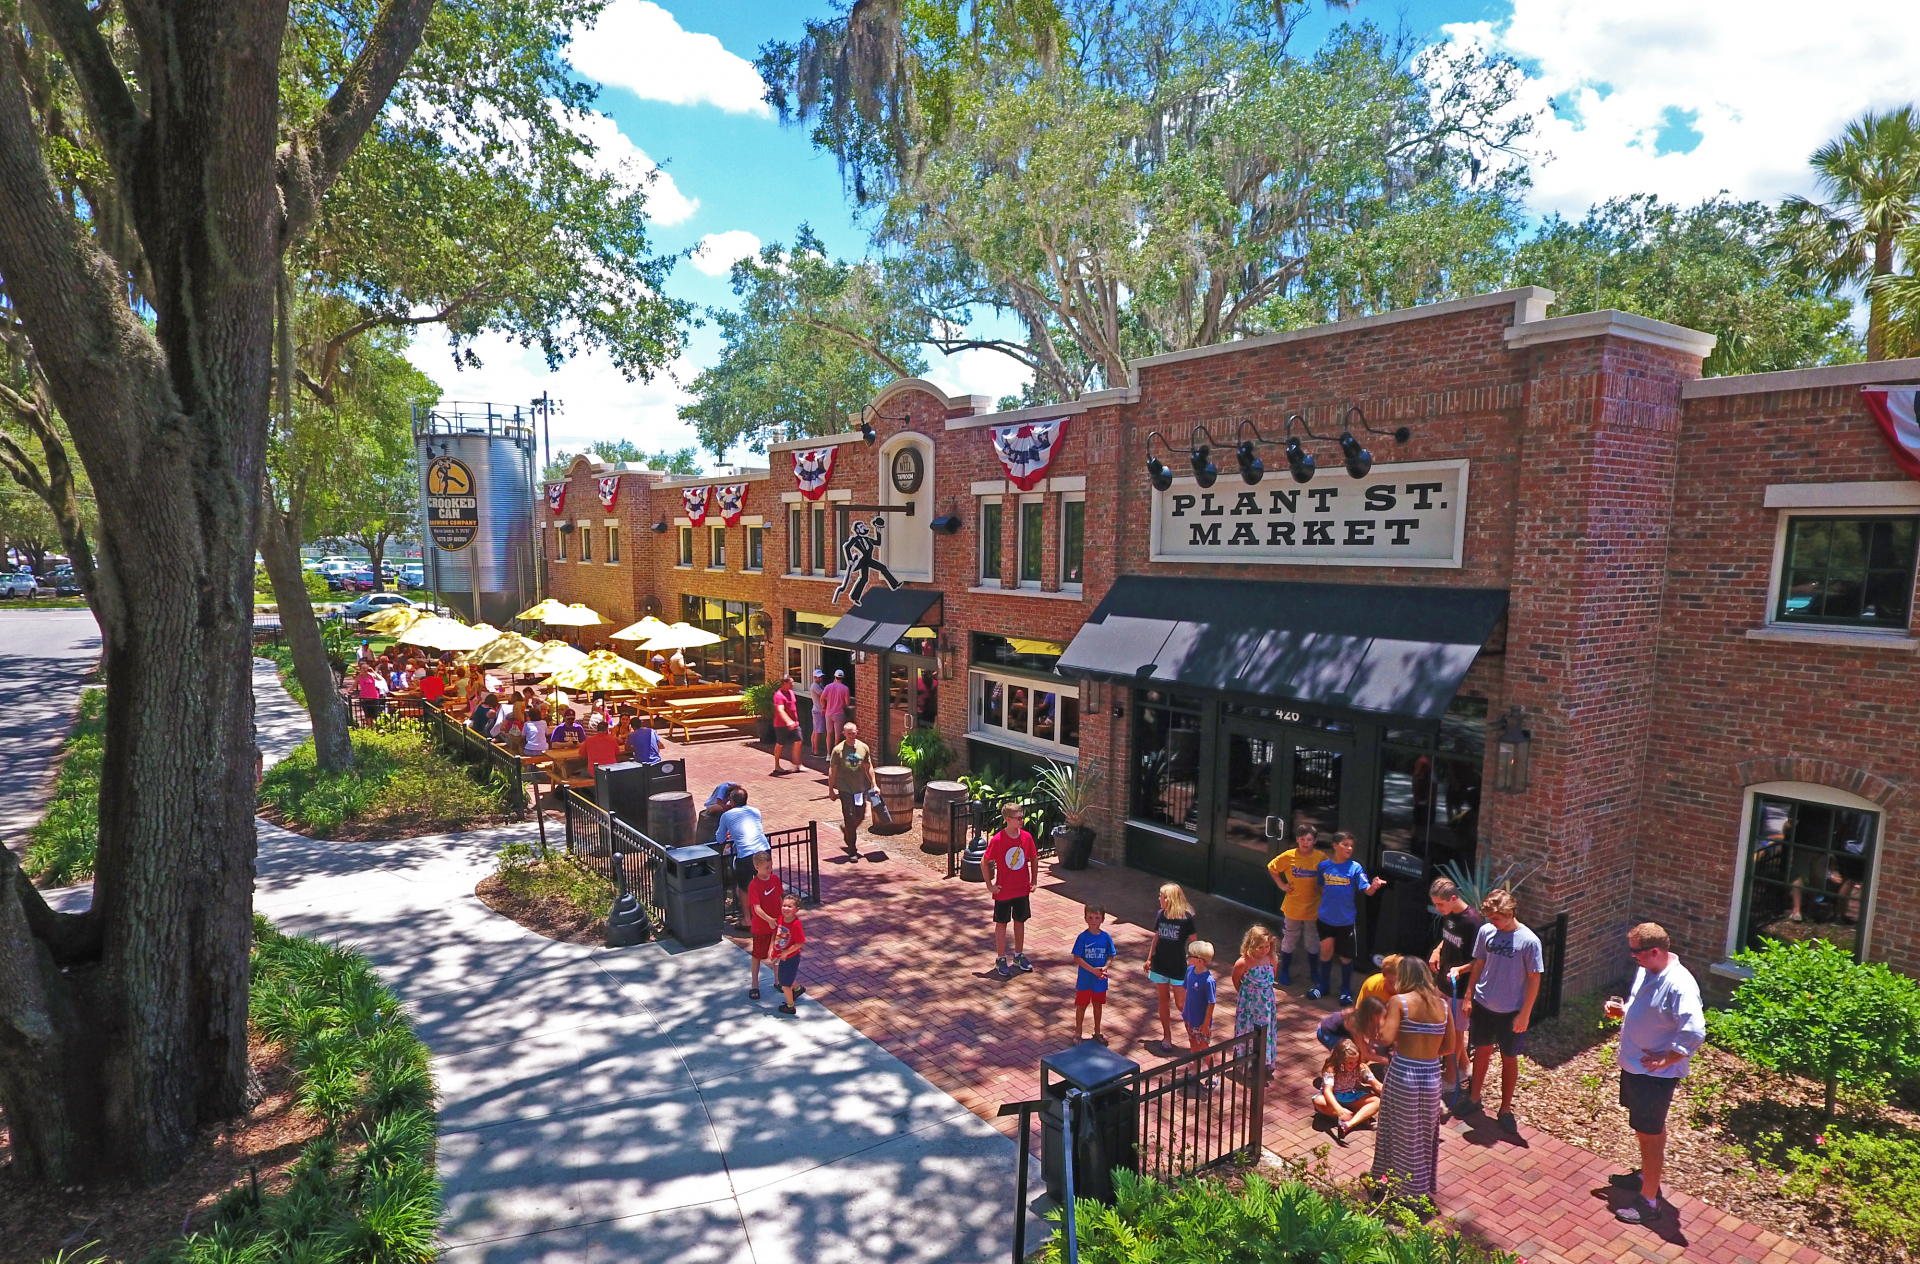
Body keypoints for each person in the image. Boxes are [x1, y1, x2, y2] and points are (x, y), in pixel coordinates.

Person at [1604, 922, 1707, 1226]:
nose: (1632, 957)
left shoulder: (1680, 984)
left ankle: (1649, 1201)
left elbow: (1695, 1029)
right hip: (1636, 1067)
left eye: (1636, 952)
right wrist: (1624, 1013)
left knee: (1649, 1134)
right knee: (1646, 1129)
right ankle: (1646, 1175)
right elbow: (1648, 1008)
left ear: (1655, 951)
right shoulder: (1648, 969)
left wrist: (1668, 1058)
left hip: (1654, 1076)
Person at [1369, 957, 1454, 1200]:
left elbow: (1385, 1038)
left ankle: (1394, 1189)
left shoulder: (1399, 1002)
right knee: (1423, 1134)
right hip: (1430, 1074)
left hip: (1404, 1071)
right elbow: (1450, 1047)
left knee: (1396, 1131)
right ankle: (1418, 1190)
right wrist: (1425, 1053)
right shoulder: (1443, 1006)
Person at [1464, 888, 1543, 1133]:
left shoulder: (1529, 941)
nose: (1492, 923)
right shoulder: (1487, 932)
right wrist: (1469, 996)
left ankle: (1505, 1109)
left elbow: (1534, 979)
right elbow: (1479, 964)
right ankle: (1474, 1098)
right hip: (1484, 1005)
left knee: (1509, 1059)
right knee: (1482, 1051)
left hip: (1511, 1012)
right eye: (1489, 919)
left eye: (1496, 918)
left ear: (1510, 913)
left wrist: (1525, 1014)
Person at [1427, 878, 1484, 1108]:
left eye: (1441, 904)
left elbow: (1480, 959)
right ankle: (1463, 1068)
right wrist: (1437, 950)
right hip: (1443, 981)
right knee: (1445, 1028)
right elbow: (1448, 938)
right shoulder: (1449, 914)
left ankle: (1451, 1079)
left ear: (1453, 898)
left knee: (1454, 1035)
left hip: (1460, 988)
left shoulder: (1473, 923)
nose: (1438, 909)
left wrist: (1461, 970)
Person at [1313, 833, 1384, 1003]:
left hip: (1346, 921)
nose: (1349, 848)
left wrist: (1374, 886)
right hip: (1325, 918)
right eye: (1345, 845)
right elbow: (1319, 887)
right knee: (1326, 952)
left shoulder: (1355, 868)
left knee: (1346, 956)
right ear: (1335, 845)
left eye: (1351, 845)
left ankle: (1345, 990)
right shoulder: (1324, 867)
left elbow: (1367, 890)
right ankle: (1323, 986)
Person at [1267, 825, 1331, 987]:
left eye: (1309, 839)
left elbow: (1329, 875)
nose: (1305, 843)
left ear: (1314, 841)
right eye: (1302, 839)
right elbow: (1272, 867)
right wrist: (1282, 885)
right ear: (1297, 840)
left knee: (1312, 939)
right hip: (1293, 906)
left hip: (1313, 907)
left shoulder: (1321, 857)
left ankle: (1314, 973)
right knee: (1290, 938)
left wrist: (1322, 887)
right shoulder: (1289, 856)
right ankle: (1284, 972)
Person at [986, 801, 1038, 979]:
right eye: (1018, 818)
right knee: (1001, 923)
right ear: (1008, 819)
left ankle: (1018, 955)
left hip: (1021, 889)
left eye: (1022, 817)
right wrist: (990, 885)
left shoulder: (1027, 837)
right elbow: (984, 862)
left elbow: (1033, 858)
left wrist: (1034, 880)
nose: (1021, 821)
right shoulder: (998, 840)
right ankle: (1001, 958)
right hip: (1004, 891)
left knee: (1020, 921)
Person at [1146, 883, 1197, 1055]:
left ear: (1169, 899)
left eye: (1161, 895)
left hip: (1178, 966)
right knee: (1163, 999)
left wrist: (1195, 962)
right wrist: (1149, 958)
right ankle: (1166, 1037)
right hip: (1160, 963)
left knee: (1181, 1003)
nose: (1158, 899)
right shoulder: (1161, 915)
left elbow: (1194, 942)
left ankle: (1194, 1036)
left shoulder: (1186, 919)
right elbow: (1156, 937)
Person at [716, 787, 770, 924]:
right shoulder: (755, 811)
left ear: (732, 802)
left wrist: (729, 835)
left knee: (743, 887)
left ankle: (747, 919)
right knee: (764, 883)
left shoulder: (726, 816)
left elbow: (719, 838)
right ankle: (767, 913)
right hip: (764, 849)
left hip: (746, 854)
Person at [1231, 925, 1280, 1075]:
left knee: (1266, 1031)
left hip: (1266, 1003)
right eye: (1260, 947)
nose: (1264, 950)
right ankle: (1246, 1064)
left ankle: (1264, 1062)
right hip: (1249, 1004)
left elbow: (1272, 977)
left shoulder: (1272, 959)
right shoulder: (1244, 962)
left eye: (1267, 946)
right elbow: (1236, 979)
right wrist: (1247, 996)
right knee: (1248, 1030)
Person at [827, 721, 878, 858]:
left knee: (860, 815)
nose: (851, 735)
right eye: (848, 733)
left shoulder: (863, 748)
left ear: (857, 732)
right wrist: (831, 789)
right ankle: (852, 849)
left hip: (859, 789)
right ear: (844, 734)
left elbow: (868, 767)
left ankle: (847, 830)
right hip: (845, 788)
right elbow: (833, 770)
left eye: (853, 733)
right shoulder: (838, 750)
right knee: (849, 817)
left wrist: (874, 784)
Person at [1316, 1039, 1383, 1143]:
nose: (1354, 1065)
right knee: (1318, 1101)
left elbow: (1377, 1085)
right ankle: (1360, 1117)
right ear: (1340, 1059)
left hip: (1351, 1096)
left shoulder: (1361, 1067)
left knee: (1377, 1101)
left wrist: (1393, 1095)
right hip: (1333, 1098)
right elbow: (1328, 1091)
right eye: (1350, 1062)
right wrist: (1339, 1109)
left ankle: (1349, 1124)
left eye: (1356, 1061)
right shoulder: (1332, 1068)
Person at [1071, 903, 1118, 1044]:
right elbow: (1077, 957)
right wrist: (1092, 970)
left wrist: (1105, 967)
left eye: (1097, 918)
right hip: (1085, 980)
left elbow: (1111, 955)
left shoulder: (1106, 938)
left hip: (1100, 980)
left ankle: (1097, 1032)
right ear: (1085, 918)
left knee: (1098, 1005)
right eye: (1090, 917)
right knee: (1081, 1005)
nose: (1093, 921)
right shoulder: (1082, 938)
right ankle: (1078, 1032)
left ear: (1102, 919)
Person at [745, 852, 785, 1000]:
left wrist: (783, 917)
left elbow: (779, 898)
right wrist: (769, 919)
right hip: (762, 926)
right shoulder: (754, 885)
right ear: (757, 867)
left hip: (777, 924)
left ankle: (778, 980)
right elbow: (756, 908)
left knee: (777, 952)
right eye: (767, 867)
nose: (770, 870)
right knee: (758, 955)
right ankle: (755, 985)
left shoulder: (775, 879)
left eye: (771, 866)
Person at [1317, 995, 1389, 1066]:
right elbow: (1366, 1054)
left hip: (1342, 1032)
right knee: (1347, 1054)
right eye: (1379, 1017)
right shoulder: (1355, 1024)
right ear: (1371, 1016)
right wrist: (1388, 1061)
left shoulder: (1361, 1017)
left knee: (1368, 1051)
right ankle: (1333, 1071)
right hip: (1326, 1032)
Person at [770, 891, 806, 1016]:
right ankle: (797, 989)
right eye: (784, 905)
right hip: (782, 955)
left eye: (789, 906)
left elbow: (800, 942)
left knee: (784, 984)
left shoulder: (796, 924)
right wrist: (772, 950)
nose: (785, 908)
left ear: (797, 909)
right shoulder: (780, 919)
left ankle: (790, 1007)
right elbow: (776, 935)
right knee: (786, 978)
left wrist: (786, 952)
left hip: (791, 957)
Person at [1182, 941, 1217, 1052]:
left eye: (1190, 955)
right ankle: (1196, 1067)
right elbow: (1185, 990)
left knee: (1204, 1047)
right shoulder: (1189, 971)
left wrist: (1206, 1024)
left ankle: (1211, 1069)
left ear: (1199, 960)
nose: (1187, 956)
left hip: (1201, 1022)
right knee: (1192, 1043)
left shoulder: (1208, 981)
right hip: (1189, 1017)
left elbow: (1211, 1003)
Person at [771, 674, 803, 774]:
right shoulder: (778, 695)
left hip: (795, 723)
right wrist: (788, 721)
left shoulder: (791, 692)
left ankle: (797, 764)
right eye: (791, 682)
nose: (793, 684)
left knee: (799, 741)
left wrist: (794, 721)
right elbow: (780, 710)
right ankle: (777, 766)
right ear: (784, 684)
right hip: (781, 725)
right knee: (780, 744)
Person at [819, 668, 851, 738]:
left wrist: (824, 707)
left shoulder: (828, 686)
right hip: (839, 714)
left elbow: (821, 699)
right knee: (837, 735)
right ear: (843, 677)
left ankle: (828, 749)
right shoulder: (845, 688)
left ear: (835, 676)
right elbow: (847, 703)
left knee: (829, 734)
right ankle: (836, 748)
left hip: (828, 713)